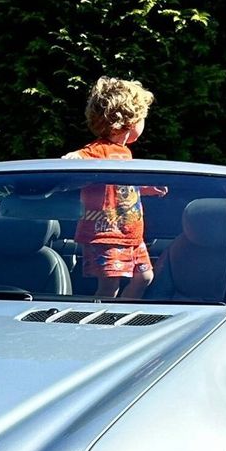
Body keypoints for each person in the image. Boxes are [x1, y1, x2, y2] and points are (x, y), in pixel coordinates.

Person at [63, 76, 168, 298]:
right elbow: (79, 157)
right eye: (143, 118)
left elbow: (121, 188)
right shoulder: (99, 150)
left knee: (145, 277)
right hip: (106, 236)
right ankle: (102, 322)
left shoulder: (124, 153)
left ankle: (122, 311)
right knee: (109, 287)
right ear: (131, 120)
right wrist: (73, 158)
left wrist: (146, 188)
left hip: (130, 236)